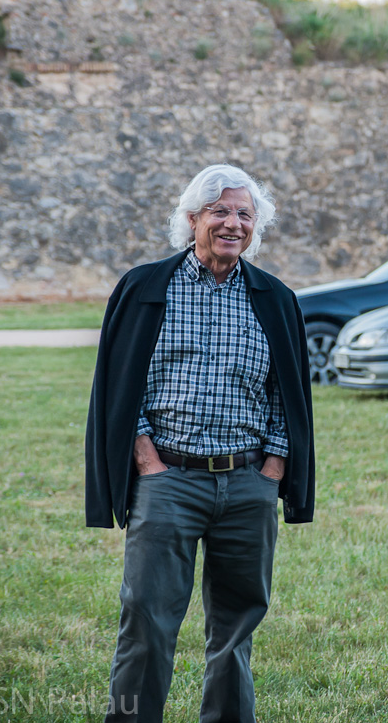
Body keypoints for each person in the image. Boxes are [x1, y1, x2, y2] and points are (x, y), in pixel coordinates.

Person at [85, 164, 315, 723]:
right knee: (146, 620)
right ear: (192, 219)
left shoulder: (275, 298)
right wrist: (147, 460)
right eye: (220, 211)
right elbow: (123, 384)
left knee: (236, 629)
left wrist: (273, 469)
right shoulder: (145, 288)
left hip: (247, 483)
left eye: (244, 214)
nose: (233, 223)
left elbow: (288, 394)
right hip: (168, 480)